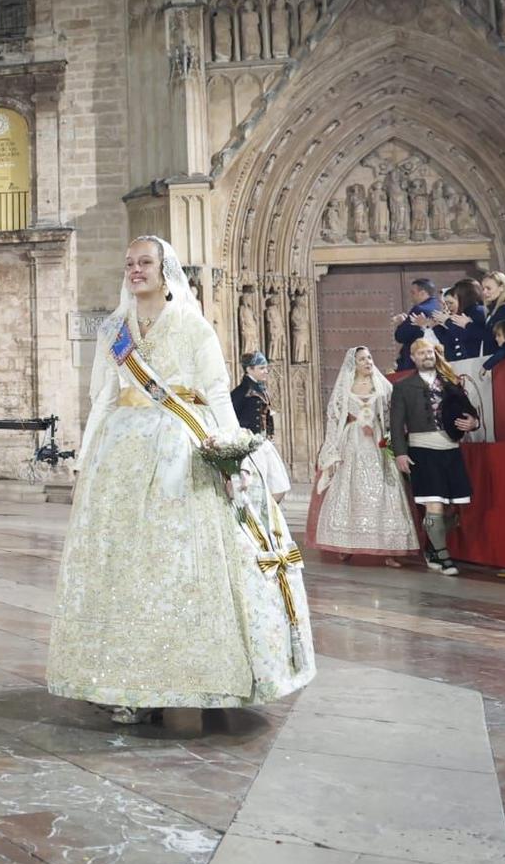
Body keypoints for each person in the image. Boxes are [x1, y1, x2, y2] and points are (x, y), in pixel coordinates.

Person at [46, 236, 312, 724]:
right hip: (120, 458)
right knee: (120, 567)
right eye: (129, 264)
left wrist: (234, 454)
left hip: (179, 454)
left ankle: (185, 675)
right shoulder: (113, 331)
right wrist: (84, 464)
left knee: (174, 566)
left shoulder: (193, 327)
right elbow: (102, 399)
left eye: (144, 262)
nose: (135, 270)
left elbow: (215, 393)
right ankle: (120, 680)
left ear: (164, 269)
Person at [311, 346, 417, 563]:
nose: (368, 362)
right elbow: (334, 416)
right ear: (354, 364)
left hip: (377, 441)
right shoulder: (345, 387)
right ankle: (347, 542)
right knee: (352, 488)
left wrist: (387, 436)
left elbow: (393, 416)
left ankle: (389, 549)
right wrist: (333, 448)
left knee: (384, 490)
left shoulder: (383, 386)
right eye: (362, 359)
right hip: (353, 442)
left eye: (369, 358)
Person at [389, 336, 481, 575]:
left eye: (429, 353)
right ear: (413, 358)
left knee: (452, 508)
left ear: (435, 355)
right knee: (435, 505)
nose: (427, 356)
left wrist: (474, 422)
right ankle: (443, 556)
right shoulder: (402, 386)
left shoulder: (450, 381)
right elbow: (396, 424)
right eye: (421, 353)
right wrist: (400, 453)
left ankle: (432, 546)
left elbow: (469, 411)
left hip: (450, 449)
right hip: (422, 450)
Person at [229, 352, 290, 502]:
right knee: (257, 486)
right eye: (262, 368)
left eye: (266, 368)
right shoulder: (240, 393)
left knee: (280, 485)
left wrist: (269, 435)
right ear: (249, 369)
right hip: (251, 446)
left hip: (264, 443)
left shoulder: (261, 389)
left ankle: (268, 517)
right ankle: (257, 520)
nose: (266, 371)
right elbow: (231, 420)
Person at [390, 278, 444, 370]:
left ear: (422, 293)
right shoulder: (439, 307)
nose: (411, 296)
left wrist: (401, 323)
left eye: (413, 292)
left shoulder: (419, 310)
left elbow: (401, 336)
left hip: (416, 363)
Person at [437, 279, 490, 360]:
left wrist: (447, 322)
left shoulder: (477, 311)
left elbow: (467, 335)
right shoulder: (469, 311)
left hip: (478, 358)